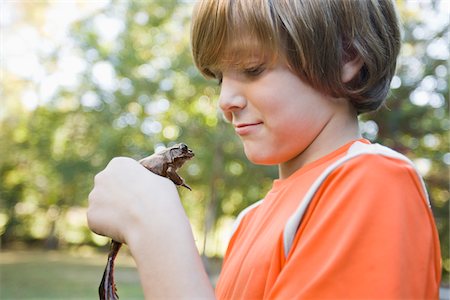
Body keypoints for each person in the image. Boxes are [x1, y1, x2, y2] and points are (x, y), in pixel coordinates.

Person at [87, 0, 442, 298]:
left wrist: (154, 226)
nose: (226, 100)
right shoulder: (249, 221)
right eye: (219, 77)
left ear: (346, 56)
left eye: (252, 69)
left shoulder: (373, 182)